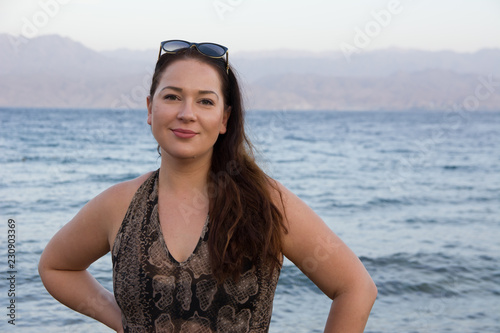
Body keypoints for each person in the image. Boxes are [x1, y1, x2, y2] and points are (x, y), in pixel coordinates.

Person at [39, 40, 377, 333]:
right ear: (149, 108)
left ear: (225, 119)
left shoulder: (265, 202)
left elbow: (354, 287)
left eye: (205, 101)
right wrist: (120, 320)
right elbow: (55, 267)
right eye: (172, 97)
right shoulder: (119, 205)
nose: (187, 113)